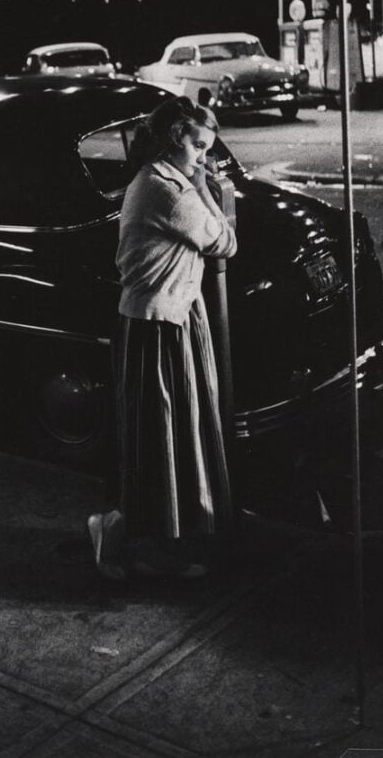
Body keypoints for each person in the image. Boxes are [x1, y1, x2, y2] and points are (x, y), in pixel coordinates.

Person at [88, 96, 237, 580]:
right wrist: (203, 188)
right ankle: (136, 547)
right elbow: (224, 241)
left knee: (169, 435)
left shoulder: (164, 181)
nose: (203, 158)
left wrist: (198, 183)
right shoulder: (165, 190)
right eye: (197, 146)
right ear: (175, 140)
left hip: (170, 317)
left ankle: (139, 538)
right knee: (161, 437)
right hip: (157, 324)